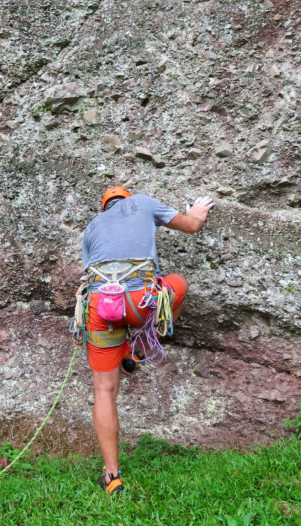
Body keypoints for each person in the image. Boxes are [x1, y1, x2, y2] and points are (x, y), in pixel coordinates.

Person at [79, 187, 215, 494]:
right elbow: (191, 225)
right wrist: (197, 210)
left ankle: (112, 477)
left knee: (103, 390)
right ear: (126, 199)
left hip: (101, 308)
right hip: (142, 302)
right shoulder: (141, 202)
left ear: (105, 208)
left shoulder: (92, 228)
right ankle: (140, 350)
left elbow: (89, 275)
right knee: (179, 283)